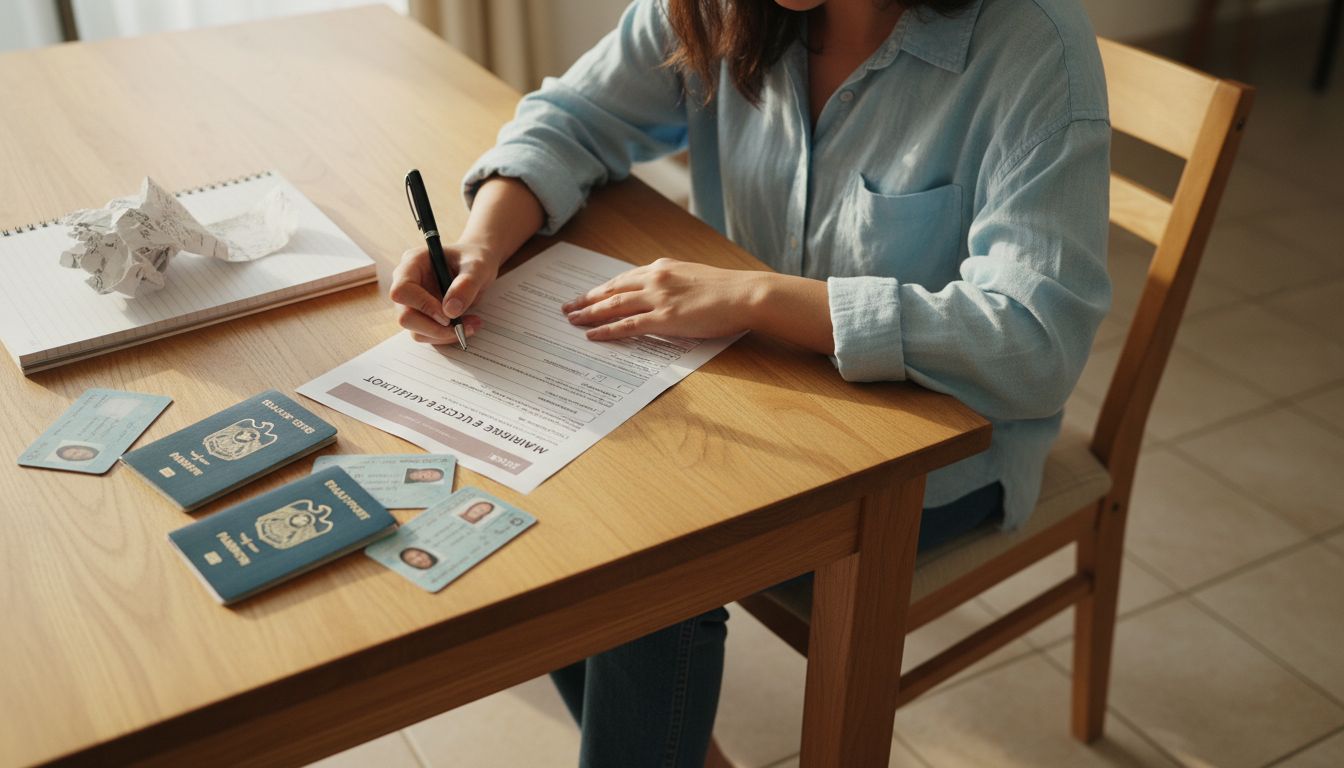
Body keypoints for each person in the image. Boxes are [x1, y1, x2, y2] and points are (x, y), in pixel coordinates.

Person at [389, 0, 1110, 764]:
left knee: (647, 570)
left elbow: (1035, 345)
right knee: (548, 499)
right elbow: (571, 117)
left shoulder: (1033, 44)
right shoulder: (716, 7)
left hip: (932, 455)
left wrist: (759, 297)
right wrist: (481, 243)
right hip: (748, 392)